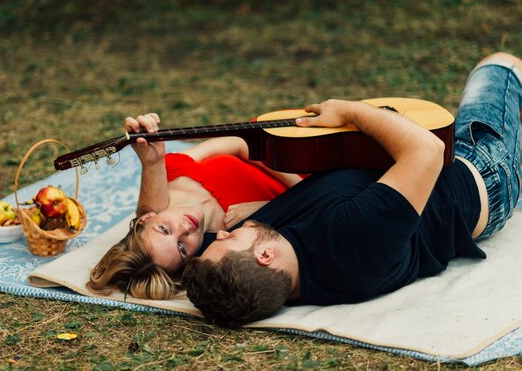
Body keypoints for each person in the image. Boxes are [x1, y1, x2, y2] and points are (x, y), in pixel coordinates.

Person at [182, 52, 522, 327]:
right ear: (265, 257)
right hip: (482, 169)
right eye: (230, 240)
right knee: (500, 64)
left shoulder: (247, 268)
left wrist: (153, 163)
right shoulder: (355, 241)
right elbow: (426, 151)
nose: (222, 234)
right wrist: (350, 110)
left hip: (401, 163)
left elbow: (160, 239)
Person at [86, 113, 302, 299]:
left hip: (270, 138)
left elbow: (238, 142)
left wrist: (300, 185)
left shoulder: (171, 171)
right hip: (305, 168)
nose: (185, 229)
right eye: (182, 248)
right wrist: (309, 186)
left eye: (164, 229)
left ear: (146, 218)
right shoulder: (235, 233)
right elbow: (302, 206)